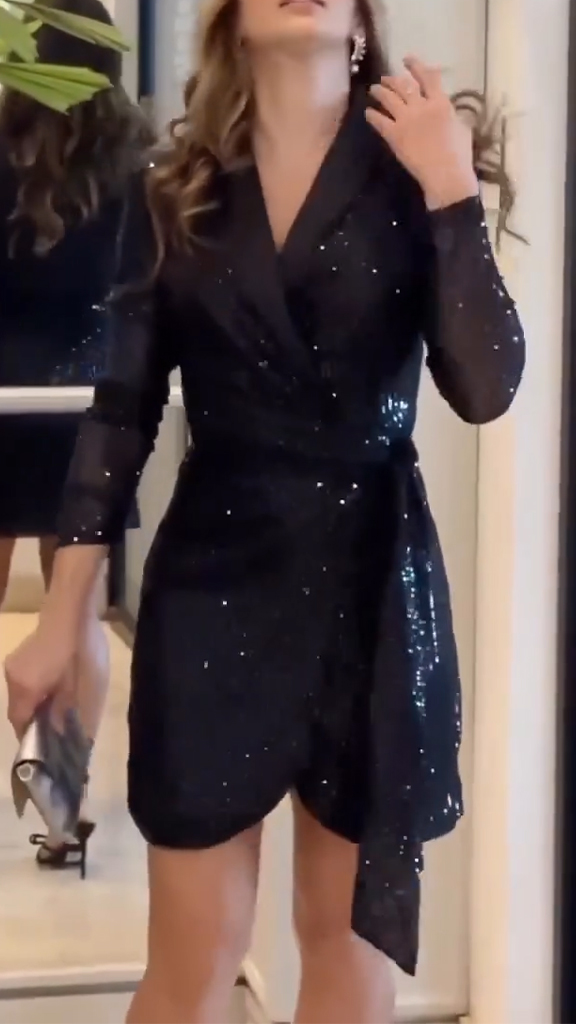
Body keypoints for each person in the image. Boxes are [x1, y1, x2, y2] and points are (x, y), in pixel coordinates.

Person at [4, 0, 525, 1018]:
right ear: (231, 23)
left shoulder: (413, 165)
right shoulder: (177, 189)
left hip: (372, 592)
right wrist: (63, 617)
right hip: (215, 585)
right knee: (194, 954)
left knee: (346, 946)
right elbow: (120, 416)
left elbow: (486, 385)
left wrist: (452, 189)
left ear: (363, 19)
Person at [0, 0, 153, 873]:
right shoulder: (139, 165)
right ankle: (59, 810)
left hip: (3, 398)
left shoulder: (2, 152)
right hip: (90, 407)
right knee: (78, 613)